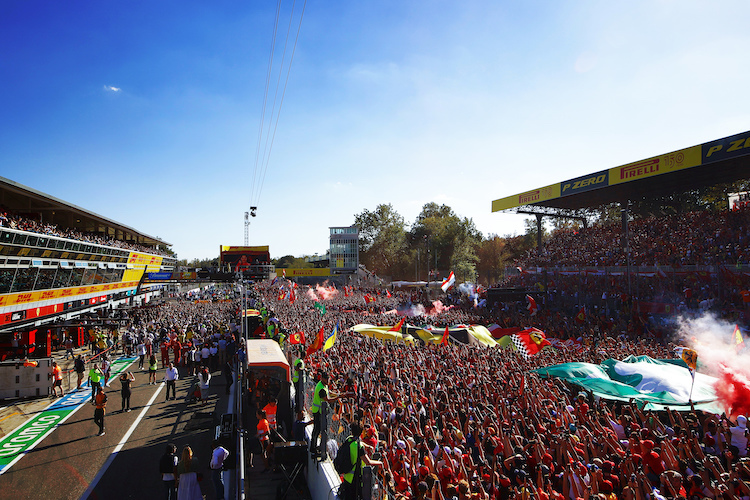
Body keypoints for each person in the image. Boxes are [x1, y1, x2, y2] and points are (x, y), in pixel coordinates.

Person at [339, 421, 383, 500]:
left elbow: (359, 442)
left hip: (346, 475)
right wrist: (380, 463)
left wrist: (368, 446)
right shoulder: (359, 447)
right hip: (354, 479)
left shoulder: (348, 439)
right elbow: (368, 462)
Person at [309, 371, 341, 458]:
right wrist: (338, 397)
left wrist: (338, 394)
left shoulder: (323, 385)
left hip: (320, 411)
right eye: (326, 378)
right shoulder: (321, 388)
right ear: (322, 378)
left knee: (318, 429)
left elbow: (329, 392)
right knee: (317, 430)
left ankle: (315, 447)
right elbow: (328, 399)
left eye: (328, 378)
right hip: (318, 411)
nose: (327, 380)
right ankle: (313, 448)